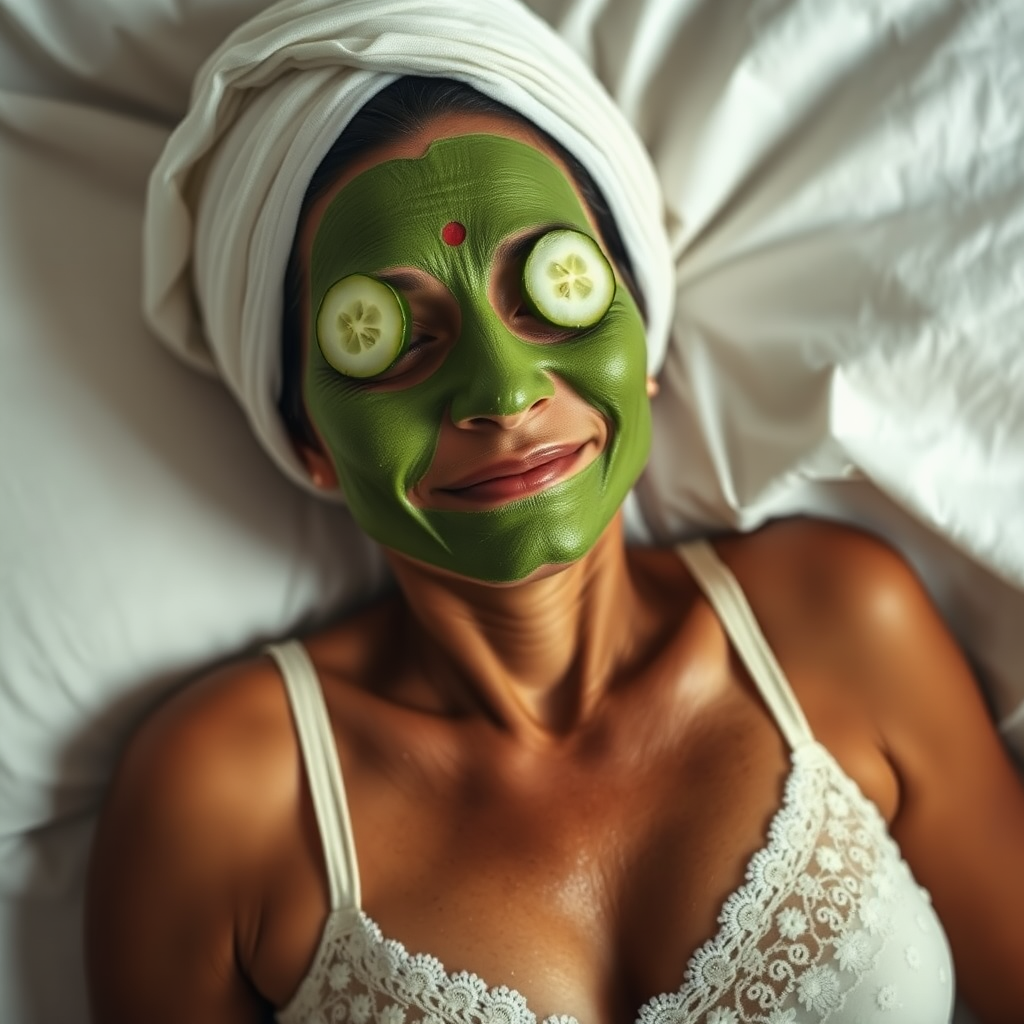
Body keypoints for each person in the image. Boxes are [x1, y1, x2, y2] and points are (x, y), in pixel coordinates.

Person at [86, 3, 1024, 1023]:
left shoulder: (839, 622)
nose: (500, 390)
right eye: (388, 336)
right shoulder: (223, 798)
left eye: (552, 289)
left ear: (640, 334)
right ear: (309, 439)